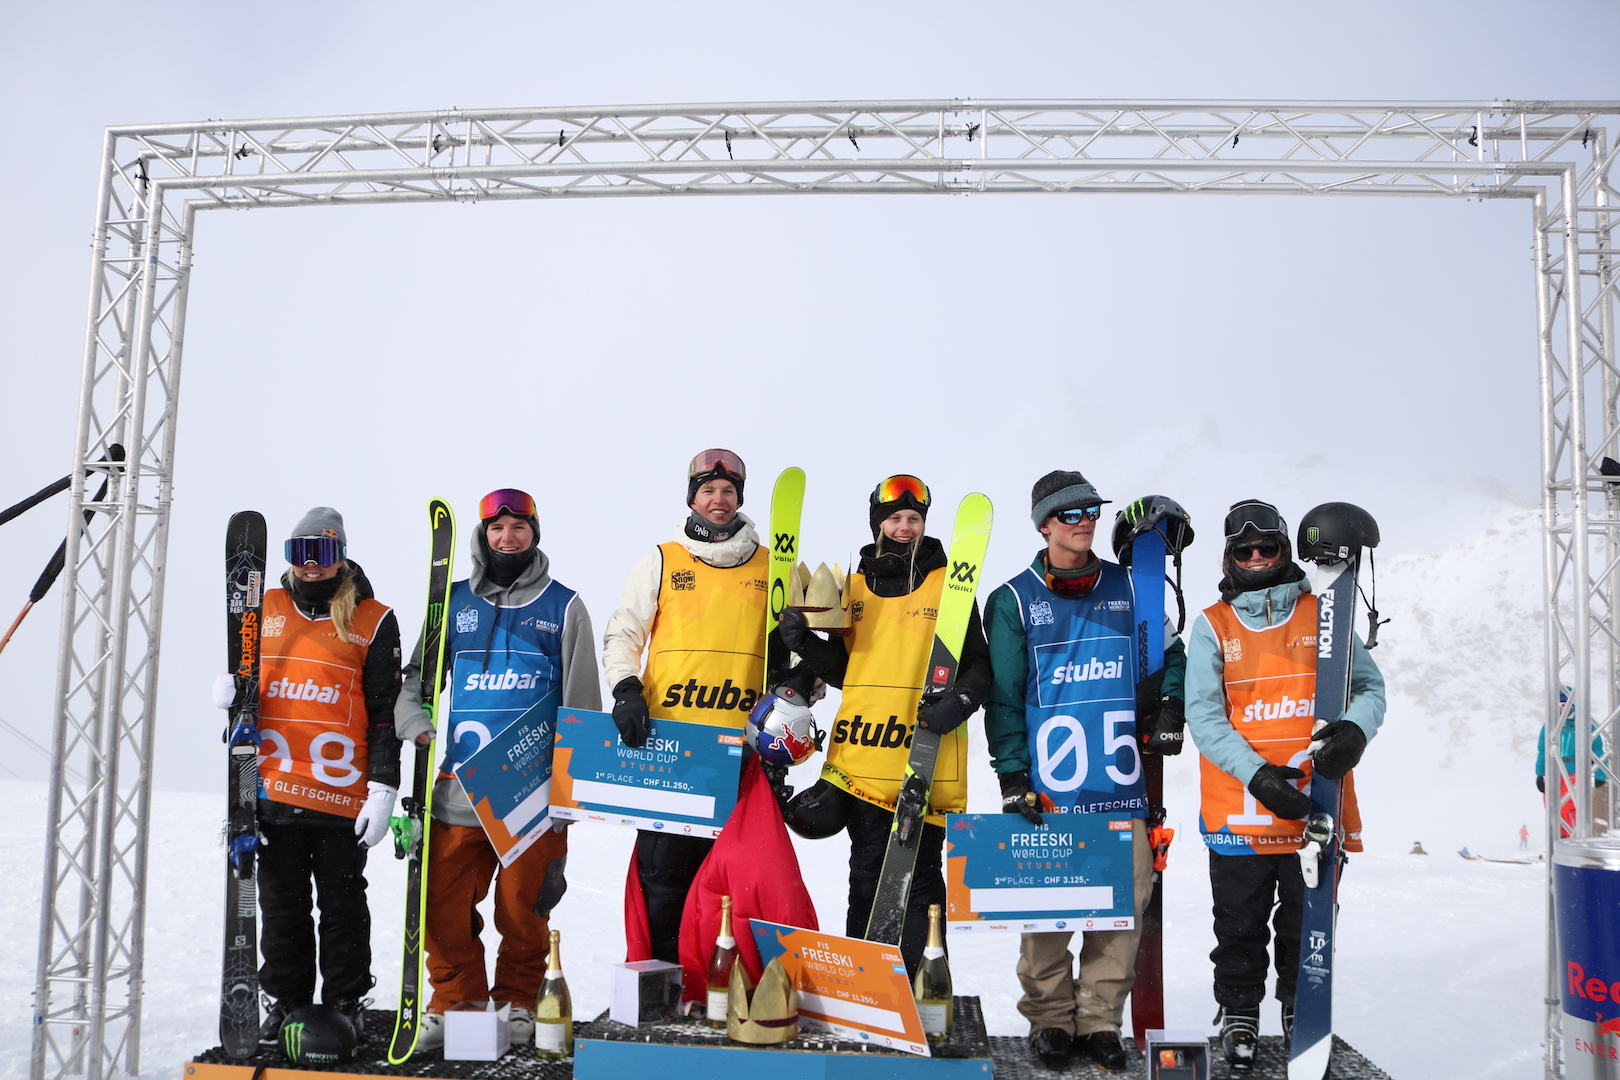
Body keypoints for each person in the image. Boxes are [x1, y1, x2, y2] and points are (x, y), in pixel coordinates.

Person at [978, 471, 1184, 1072]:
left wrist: (1169, 703)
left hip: (1120, 787)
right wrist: (1013, 775)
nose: (1085, 521)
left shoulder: (1133, 587)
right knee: (1047, 910)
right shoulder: (1013, 600)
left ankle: (1099, 1021)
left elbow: (1171, 654)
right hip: (1052, 788)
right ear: (1044, 525)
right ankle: (1049, 1021)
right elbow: (1005, 698)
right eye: (1070, 515)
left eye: (1091, 511)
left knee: (1124, 909)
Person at [394, 489, 599, 1049]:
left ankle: (517, 1001)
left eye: (519, 528)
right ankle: (454, 1002)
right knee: (442, 909)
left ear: (535, 532)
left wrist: (570, 798)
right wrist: (414, 722)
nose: (508, 538)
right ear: (484, 537)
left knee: (524, 912)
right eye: (497, 529)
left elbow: (581, 710)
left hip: (531, 799)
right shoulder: (452, 603)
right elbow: (415, 681)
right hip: (458, 789)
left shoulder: (564, 606)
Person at [1184, 499, 1384, 1071]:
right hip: (1243, 809)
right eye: (1242, 551)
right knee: (1239, 926)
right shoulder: (1213, 625)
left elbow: (1371, 691)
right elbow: (1205, 716)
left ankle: (1303, 1006)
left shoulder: (1324, 614)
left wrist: (1353, 731)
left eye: (1266, 547)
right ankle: (1240, 1013)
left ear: (1284, 551)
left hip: (1316, 807)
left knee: (1307, 922)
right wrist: (1258, 776)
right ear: (1228, 558)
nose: (1255, 558)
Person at [603, 449, 809, 973]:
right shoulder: (663, 559)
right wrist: (627, 689)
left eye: (728, 491)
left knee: (742, 882)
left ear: (741, 498)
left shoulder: (775, 567)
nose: (718, 500)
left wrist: (803, 683)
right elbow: (624, 632)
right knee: (666, 876)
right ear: (692, 497)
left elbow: (804, 654)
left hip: (742, 753)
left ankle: (734, 984)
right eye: (707, 490)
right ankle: (668, 983)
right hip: (673, 748)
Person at [779, 474, 991, 975]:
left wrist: (960, 702)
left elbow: (980, 665)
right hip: (863, 764)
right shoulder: (852, 588)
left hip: (923, 763)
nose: (903, 527)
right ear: (878, 523)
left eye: (913, 519)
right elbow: (847, 671)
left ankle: (920, 991)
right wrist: (805, 643)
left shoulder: (951, 585)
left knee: (918, 887)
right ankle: (867, 993)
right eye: (894, 518)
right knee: (867, 879)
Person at [220, 508, 403, 1045]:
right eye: (299, 554)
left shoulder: (372, 618)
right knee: (281, 904)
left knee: (343, 905)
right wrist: (230, 696)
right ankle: (288, 1001)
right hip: (272, 785)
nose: (311, 566)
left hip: (341, 790)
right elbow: (247, 684)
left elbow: (386, 709)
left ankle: (347, 1000)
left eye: (322, 554)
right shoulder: (263, 607)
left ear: (341, 556)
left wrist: (383, 786)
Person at [1536, 686, 1609, 836]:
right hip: (1554, 773)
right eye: (1560, 705)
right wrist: (1540, 774)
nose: (1564, 708)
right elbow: (1543, 750)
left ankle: (1575, 837)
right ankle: (1560, 839)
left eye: (1566, 704)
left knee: (1569, 807)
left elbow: (1597, 749)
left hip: (1575, 772)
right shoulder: (1550, 725)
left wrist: (1601, 774)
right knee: (1552, 808)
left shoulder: (1584, 723)